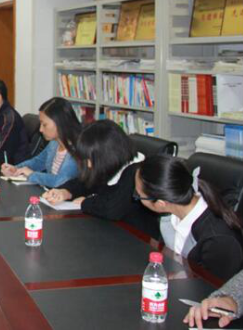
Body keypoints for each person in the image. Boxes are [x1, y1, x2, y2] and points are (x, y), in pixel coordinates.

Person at [43, 120, 160, 238]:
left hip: (138, 238)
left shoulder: (136, 172)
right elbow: (85, 182)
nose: (89, 165)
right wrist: (65, 192)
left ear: (108, 154)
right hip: (110, 231)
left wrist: (85, 202)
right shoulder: (111, 164)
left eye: (91, 159)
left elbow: (112, 208)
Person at [135, 154, 243, 282]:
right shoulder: (173, 212)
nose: (136, 197)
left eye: (138, 195)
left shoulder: (219, 240)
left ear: (160, 204)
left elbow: (213, 288)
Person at [1, 97, 80, 187]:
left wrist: (32, 174)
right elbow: (38, 162)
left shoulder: (77, 149)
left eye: (44, 125)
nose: (40, 129)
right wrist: (16, 169)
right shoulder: (54, 142)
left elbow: (61, 181)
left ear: (60, 122)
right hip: (50, 192)